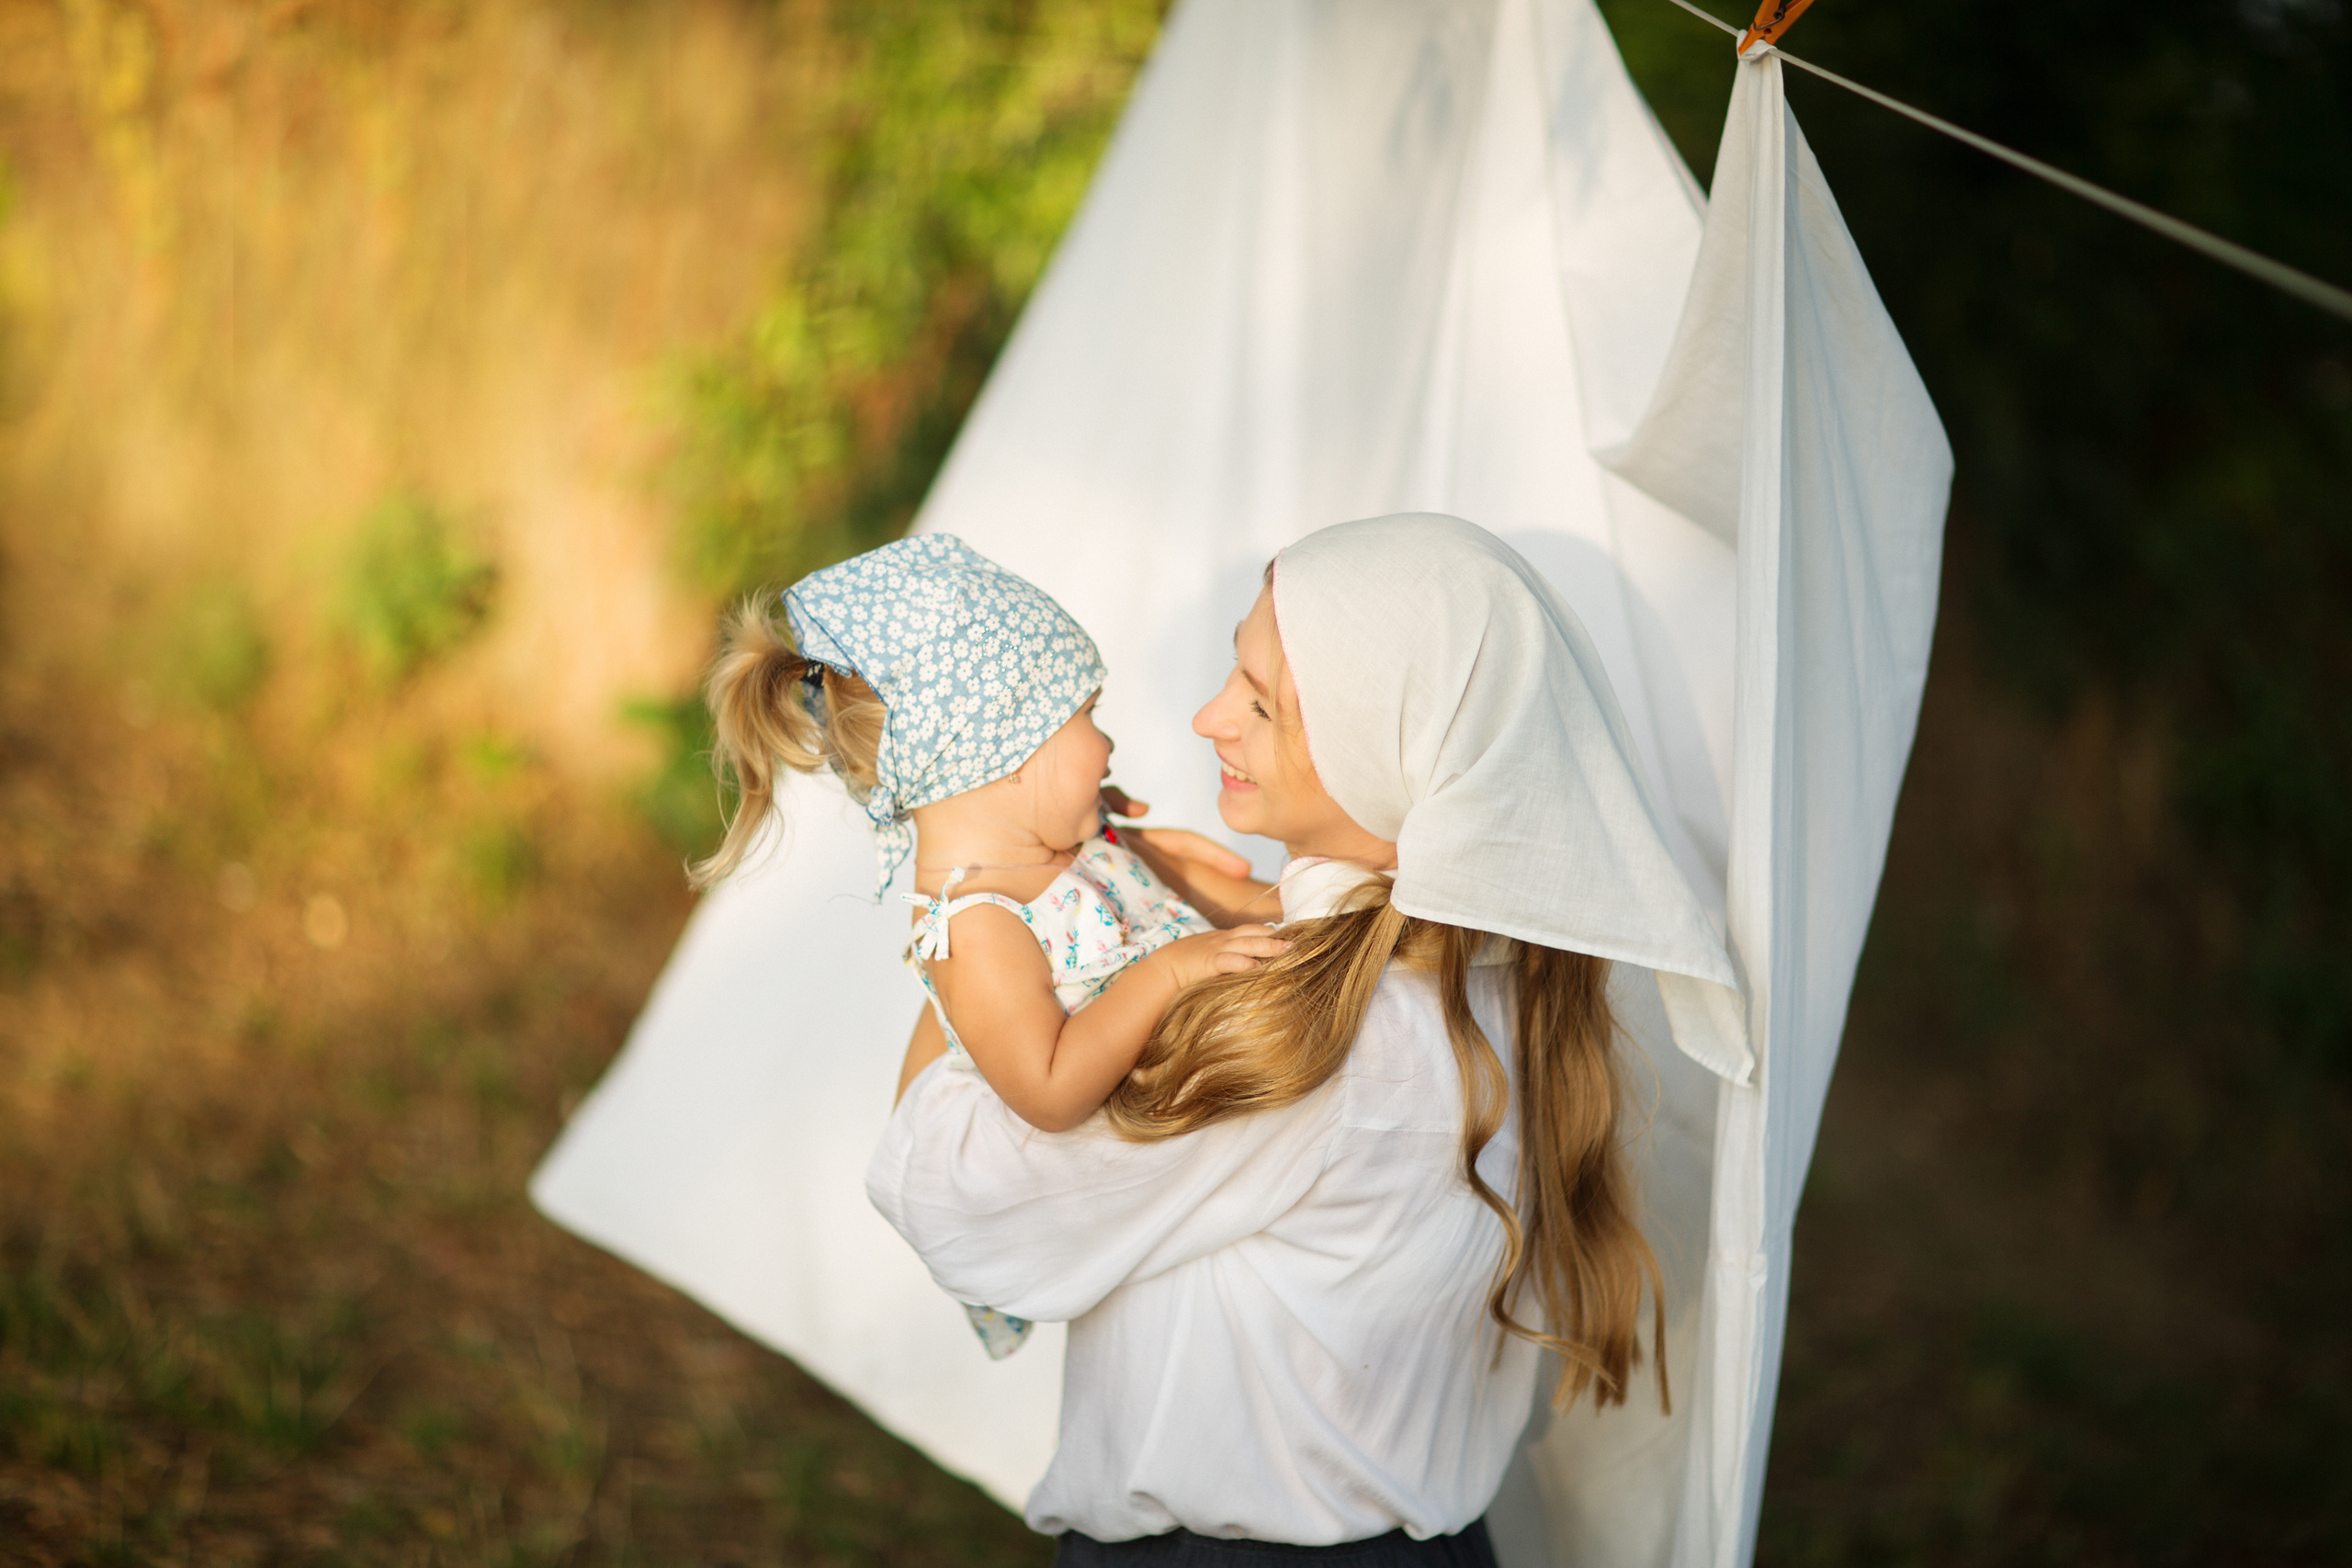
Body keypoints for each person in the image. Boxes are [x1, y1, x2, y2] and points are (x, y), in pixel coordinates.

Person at [868, 514, 1747, 1564]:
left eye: (1260, 704)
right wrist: (1130, 898)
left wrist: (987, 922)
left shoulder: (1310, 1040)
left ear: (1383, 755)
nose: (1206, 720)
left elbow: (949, 1197)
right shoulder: (1491, 976)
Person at [698, 533, 1283, 1358]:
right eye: (1087, 718)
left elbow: (1200, 908)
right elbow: (1049, 1088)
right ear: (1007, 756)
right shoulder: (974, 924)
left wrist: (1306, 905)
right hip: (1102, 1186)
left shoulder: (1067, 847)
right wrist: (1169, 973)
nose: (1108, 746)